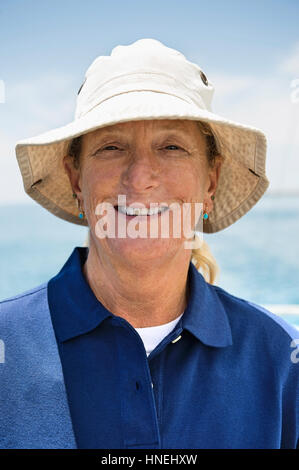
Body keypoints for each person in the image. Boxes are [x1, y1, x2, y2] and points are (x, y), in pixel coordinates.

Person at [0, 39, 298, 449]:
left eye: (171, 147)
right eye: (111, 147)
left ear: (209, 182)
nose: (140, 177)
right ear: (76, 180)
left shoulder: (281, 358)